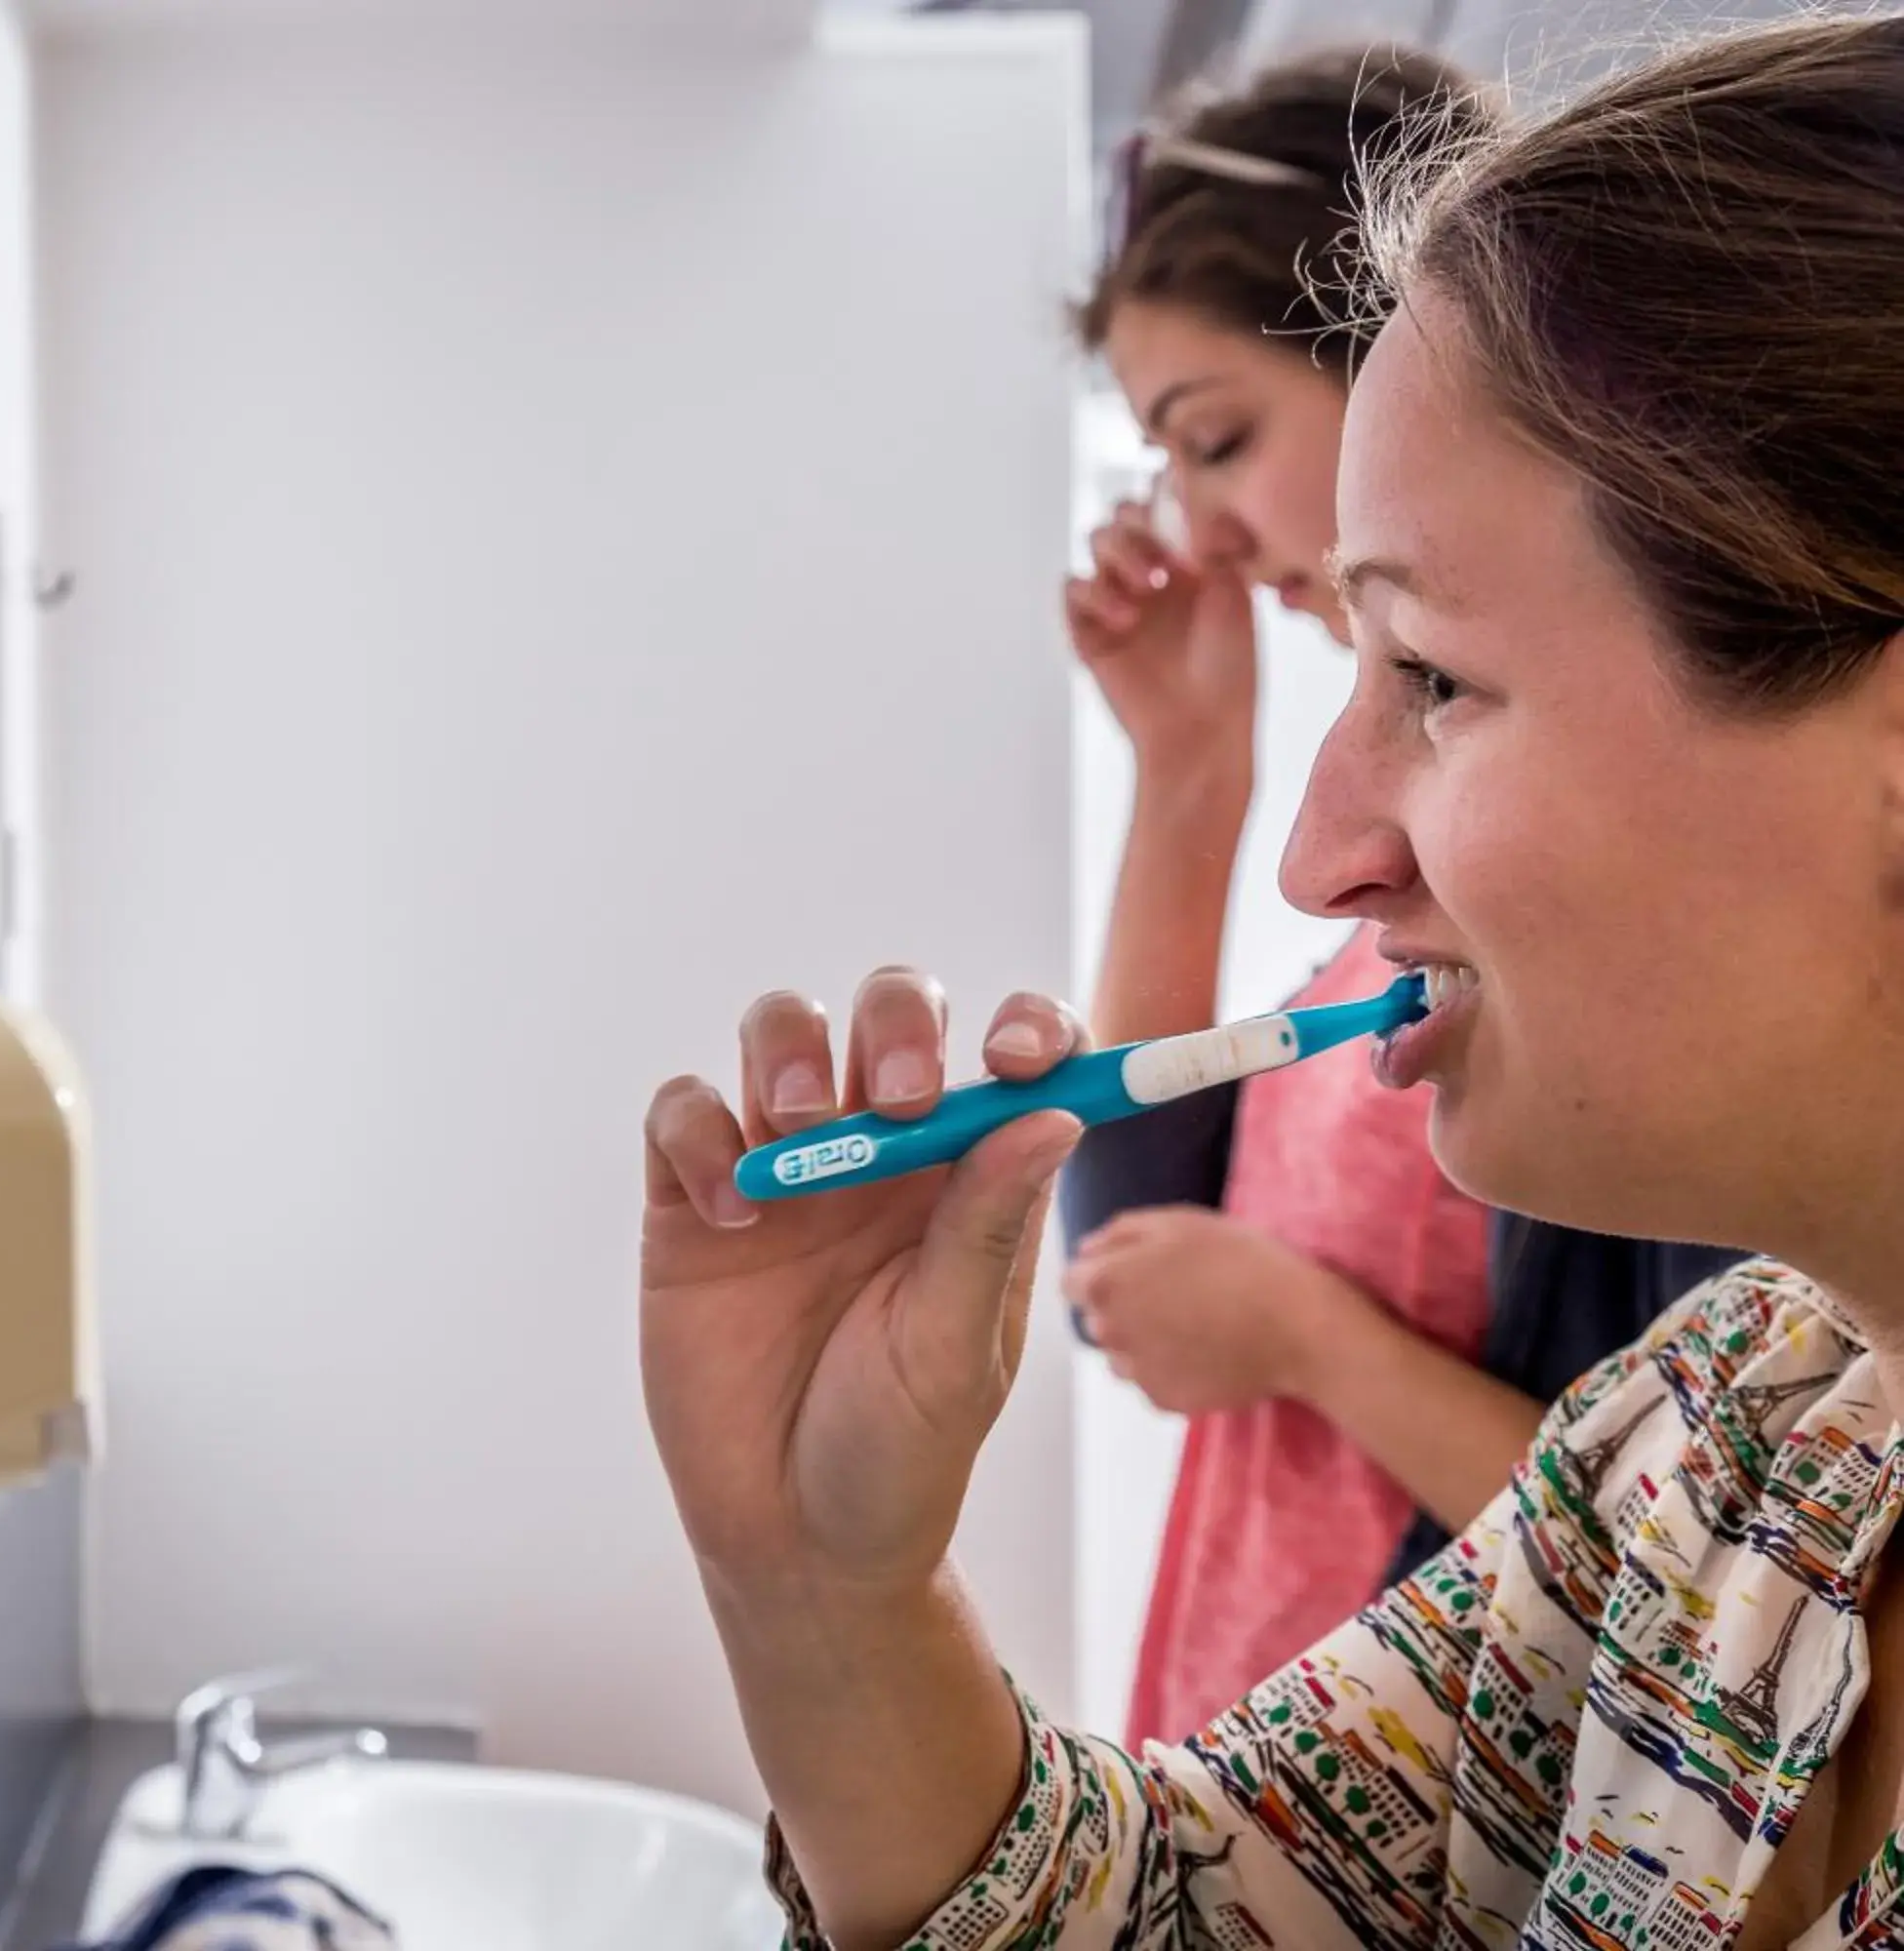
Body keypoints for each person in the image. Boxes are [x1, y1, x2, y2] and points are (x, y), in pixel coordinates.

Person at [638, 16, 1904, 1947]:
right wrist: (817, 1593)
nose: (1323, 856)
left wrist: (1309, 1340)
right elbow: (1179, 1909)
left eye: (1434, 679)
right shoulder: (1722, 1442)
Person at [1056, 46, 1743, 1752]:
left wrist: (1307, 1341)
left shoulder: (1578, 922)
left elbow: (1709, 1566)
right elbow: (1136, 1223)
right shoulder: (1400, 900)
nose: (1199, 533)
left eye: (1216, 441)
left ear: (1396, 360)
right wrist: (1185, 765)